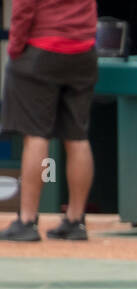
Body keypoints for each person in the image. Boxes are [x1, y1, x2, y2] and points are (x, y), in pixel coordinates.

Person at [0, 0, 99, 242]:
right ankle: (75, 220)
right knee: (78, 136)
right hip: (83, 50)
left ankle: (27, 221)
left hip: (41, 49)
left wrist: (14, 49)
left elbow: (23, 9)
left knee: (35, 135)